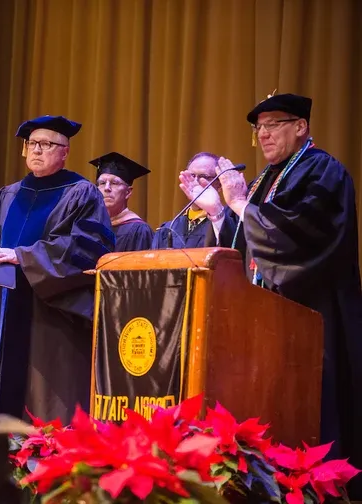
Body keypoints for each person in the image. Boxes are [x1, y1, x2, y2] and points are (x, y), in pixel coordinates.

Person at [182, 92, 362, 496]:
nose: (263, 135)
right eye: (258, 127)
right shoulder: (266, 179)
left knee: (311, 419)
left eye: (273, 124)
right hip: (263, 322)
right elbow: (247, 248)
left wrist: (241, 203)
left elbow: (298, 240)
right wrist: (219, 213)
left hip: (312, 317)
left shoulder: (322, 172)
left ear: (301, 126)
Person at [0, 115, 114, 422]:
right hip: (6, 309)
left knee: (46, 403)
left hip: (51, 316)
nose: (36, 150)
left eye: (46, 144)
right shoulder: (7, 195)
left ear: (65, 151)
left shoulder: (82, 193)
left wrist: (22, 256)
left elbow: (87, 248)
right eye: (31, 144)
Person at [152, 152, 221, 249]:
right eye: (192, 175)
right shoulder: (168, 228)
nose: (195, 181)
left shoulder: (225, 224)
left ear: (219, 185)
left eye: (204, 177)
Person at [90, 152, 153, 252]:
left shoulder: (139, 231)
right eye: (102, 183)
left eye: (114, 183)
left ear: (128, 192)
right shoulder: (91, 227)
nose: (107, 188)